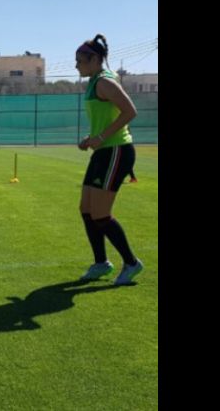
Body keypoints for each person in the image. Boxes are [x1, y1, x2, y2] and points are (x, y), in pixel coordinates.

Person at [75, 34, 143, 285]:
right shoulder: (93, 82)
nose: (76, 65)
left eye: (80, 61)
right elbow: (106, 117)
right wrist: (91, 138)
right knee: (86, 209)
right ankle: (101, 263)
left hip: (117, 151)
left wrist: (101, 136)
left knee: (101, 214)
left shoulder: (104, 82)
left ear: (95, 59)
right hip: (103, 151)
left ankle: (132, 263)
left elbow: (130, 111)